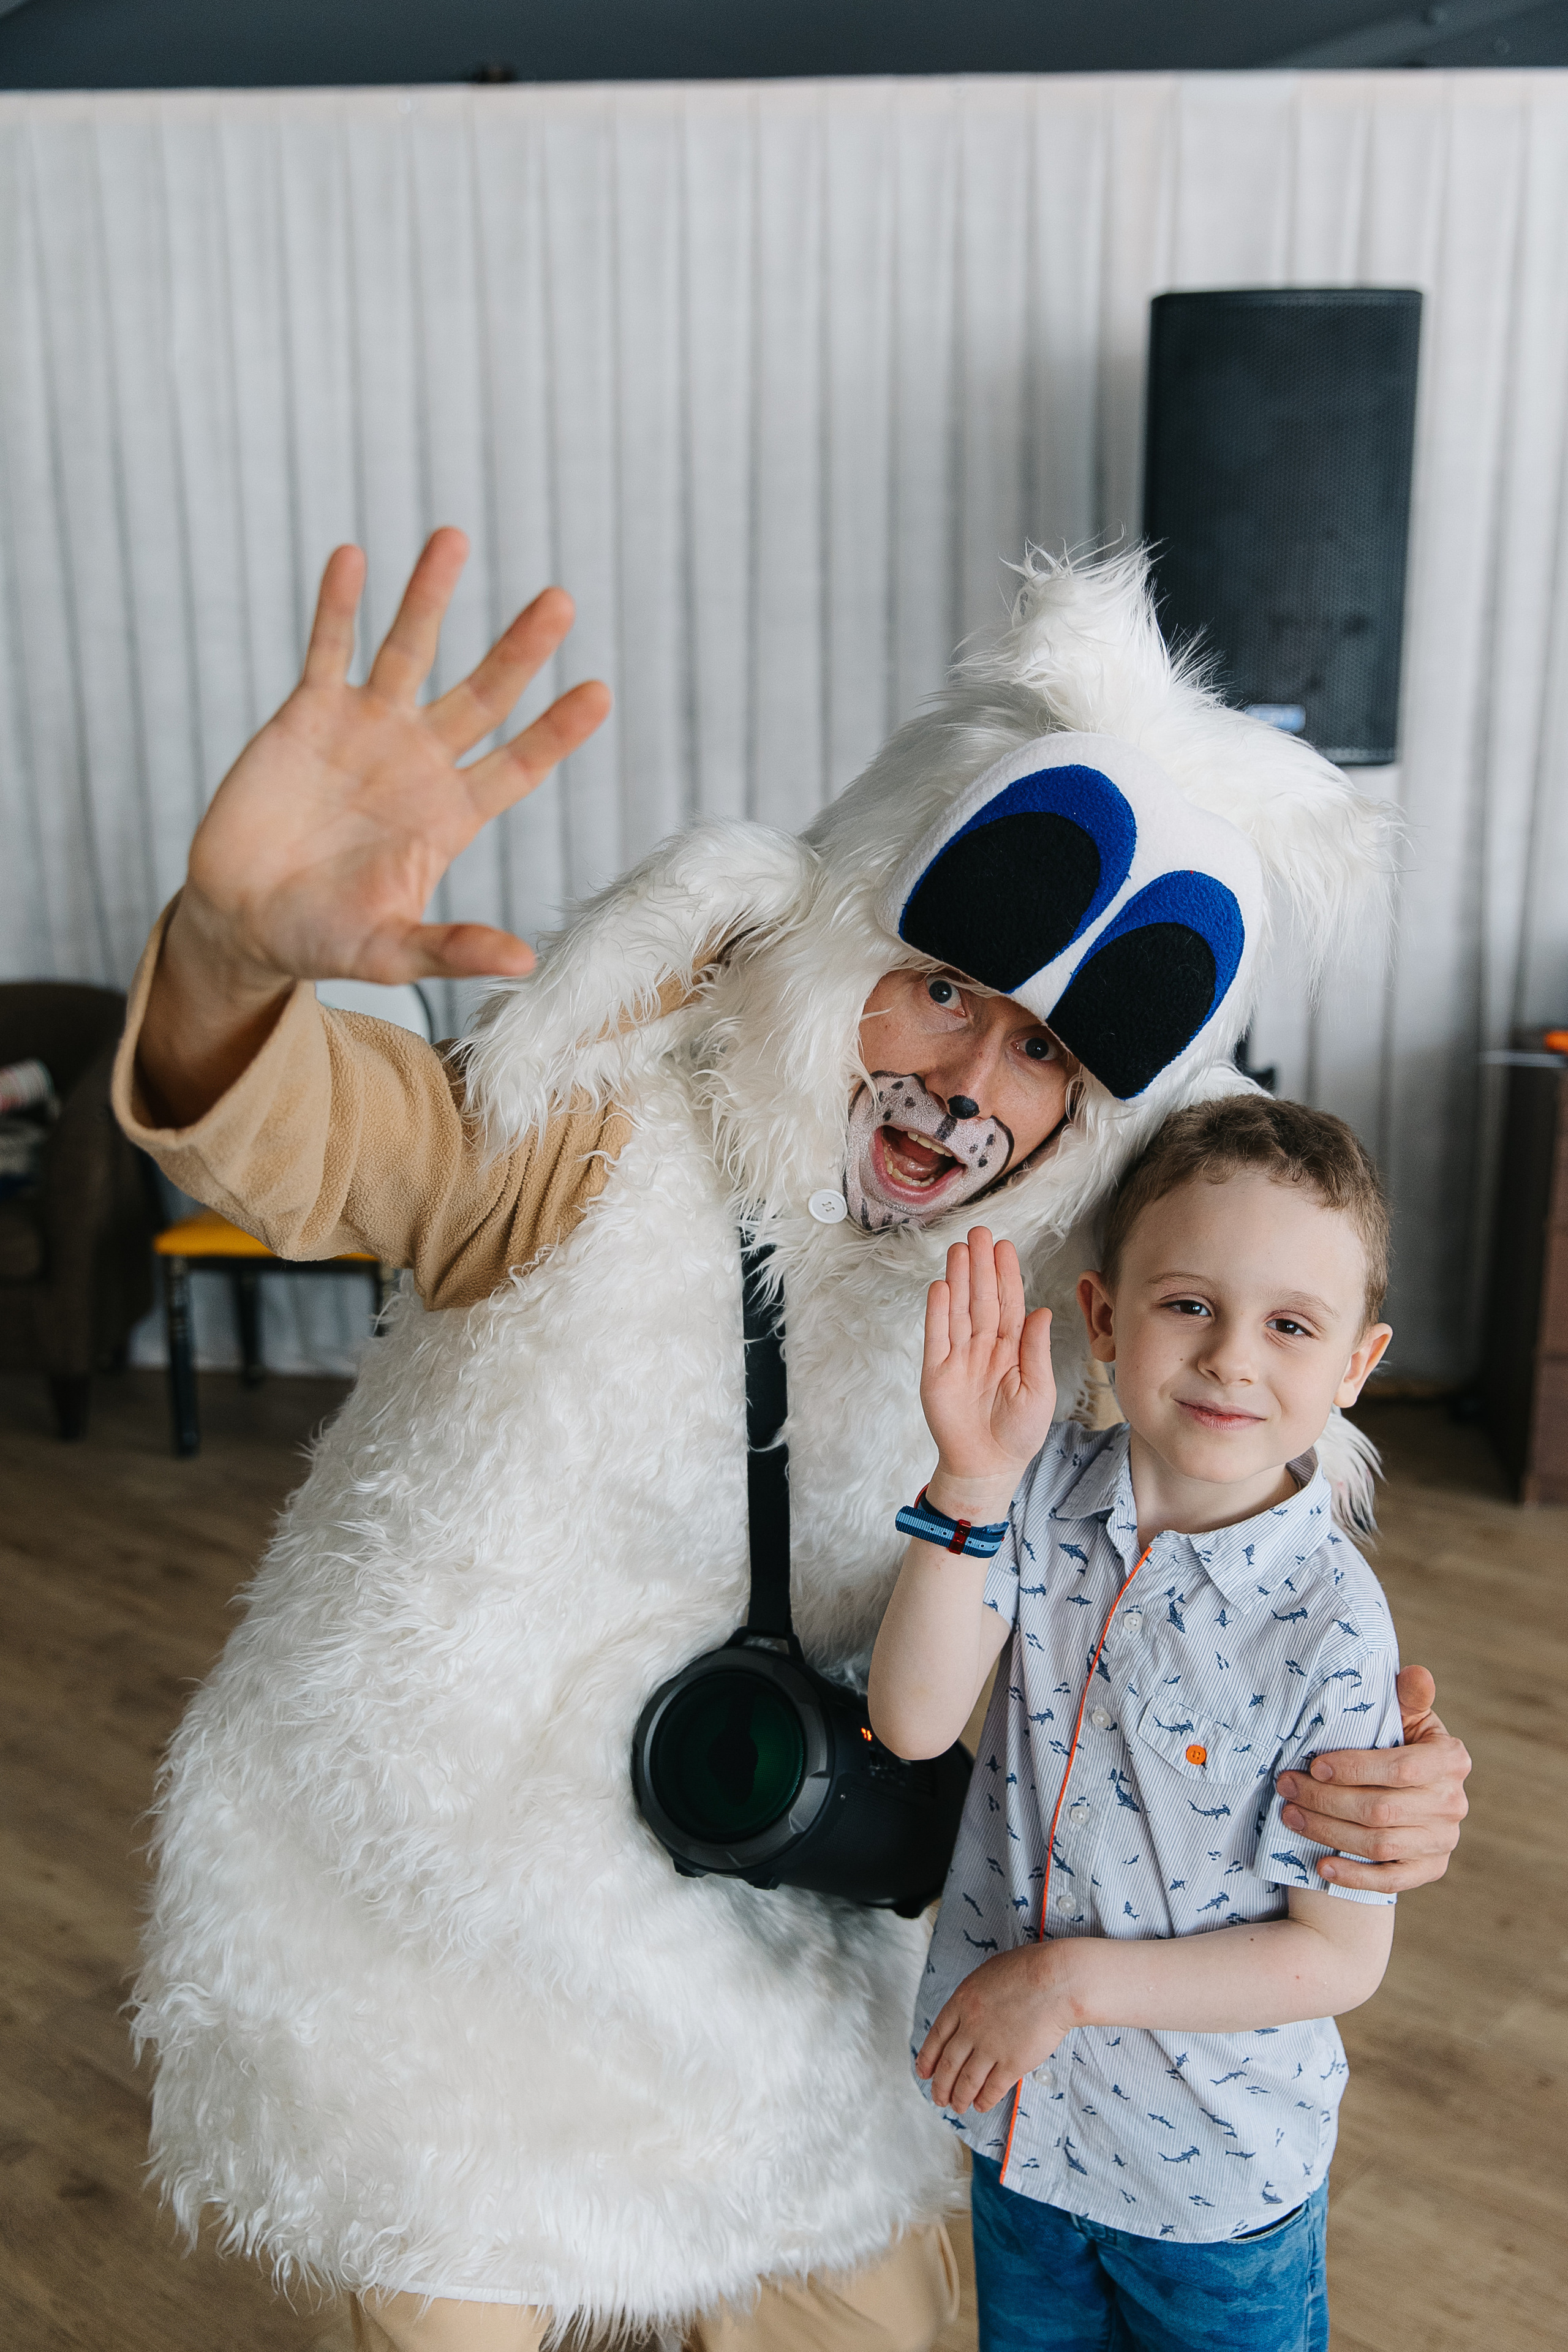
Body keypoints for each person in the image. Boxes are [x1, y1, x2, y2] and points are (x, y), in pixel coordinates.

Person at [115, 531, 1471, 2352]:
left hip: (790, 1926)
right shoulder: (595, 1132)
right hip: (440, 1923)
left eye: (1047, 1055)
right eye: (941, 991)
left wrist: (1381, 1783)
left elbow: (1218, 1513)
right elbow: (347, 1142)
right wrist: (222, 965)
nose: (972, 1087)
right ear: (838, 942)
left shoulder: (1042, 1305)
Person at [867, 1096, 1414, 2351]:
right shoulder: (1039, 1482)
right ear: (1105, 1319)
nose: (1230, 1357)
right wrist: (968, 1477)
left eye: (1288, 1326)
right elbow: (908, 1721)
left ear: (1352, 1366)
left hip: (1211, 2193)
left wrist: (1062, 1983)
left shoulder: (1332, 1632)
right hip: (1021, 2138)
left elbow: (1337, 1957)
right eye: (1188, 1305)